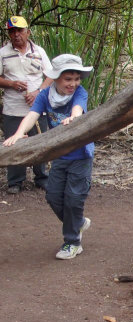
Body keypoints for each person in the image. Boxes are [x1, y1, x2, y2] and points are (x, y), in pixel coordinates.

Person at [3, 54, 94, 260]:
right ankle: (78, 223)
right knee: (53, 196)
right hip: (59, 154)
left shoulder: (80, 93)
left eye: (76, 78)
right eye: (68, 79)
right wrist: (18, 134)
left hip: (81, 155)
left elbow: (78, 110)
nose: (73, 84)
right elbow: (32, 115)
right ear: (55, 78)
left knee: (73, 198)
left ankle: (72, 242)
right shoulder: (45, 95)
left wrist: (74, 117)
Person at [0, 16, 53, 194]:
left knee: (40, 141)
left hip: (38, 108)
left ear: (27, 32)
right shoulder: (2, 53)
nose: (16, 35)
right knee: (14, 144)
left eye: (19, 30)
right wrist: (11, 84)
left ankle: (42, 178)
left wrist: (38, 92)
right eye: (12, 31)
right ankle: (15, 181)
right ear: (9, 34)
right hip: (12, 108)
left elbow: (52, 75)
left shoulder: (39, 51)